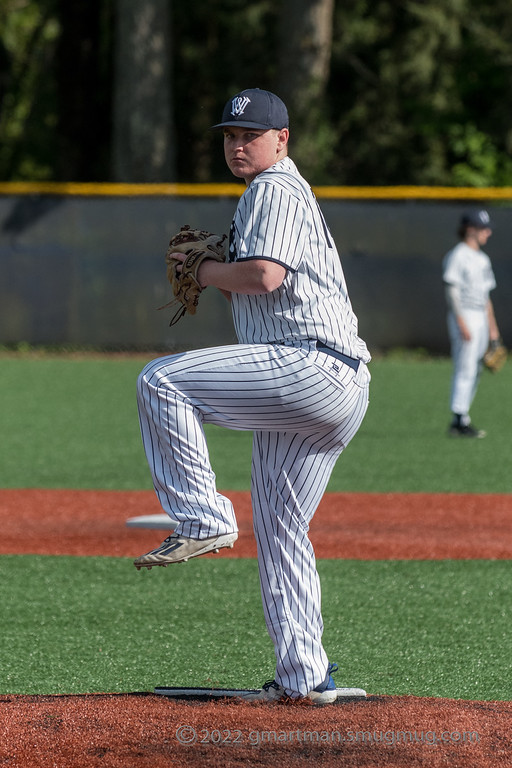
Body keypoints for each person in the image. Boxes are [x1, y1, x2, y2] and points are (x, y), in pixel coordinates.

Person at [134, 88, 371, 705]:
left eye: (250, 136)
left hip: (308, 366)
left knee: (161, 381)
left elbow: (266, 275)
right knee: (281, 526)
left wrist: (206, 272)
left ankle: (204, 517)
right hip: (336, 384)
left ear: (281, 139)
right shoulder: (271, 195)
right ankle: (305, 677)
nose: (238, 146)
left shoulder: (274, 188)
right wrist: (220, 261)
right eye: (230, 136)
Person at [442, 208, 500, 438]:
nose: (488, 232)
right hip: (464, 313)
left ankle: (463, 415)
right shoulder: (458, 255)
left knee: (476, 368)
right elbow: (451, 290)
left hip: (480, 316)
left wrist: (493, 330)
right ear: (470, 229)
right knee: (465, 365)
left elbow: (486, 298)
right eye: (483, 228)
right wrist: (461, 322)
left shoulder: (482, 258)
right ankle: (458, 418)